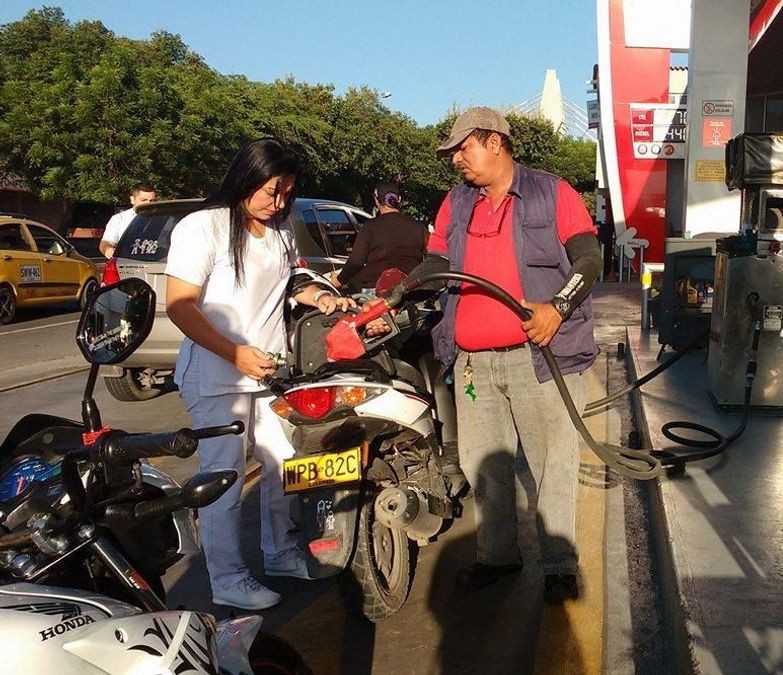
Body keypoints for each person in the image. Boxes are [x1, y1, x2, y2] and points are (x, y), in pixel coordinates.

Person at [402, 107, 603, 603]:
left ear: (494, 142)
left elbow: (589, 259)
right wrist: (399, 291)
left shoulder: (551, 192)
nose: (456, 161)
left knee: (552, 460)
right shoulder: (455, 204)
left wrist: (558, 308)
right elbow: (436, 261)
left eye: (463, 149)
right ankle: (498, 557)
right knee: (483, 464)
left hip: (537, 355)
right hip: (473, 362)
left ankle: (558, 565)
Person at [164, 138, 356, 610]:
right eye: (273, 191)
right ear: (246, 178)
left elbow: (287, 284)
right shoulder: (202, 227)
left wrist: (319, 298)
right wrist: (234, 353)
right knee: (224, 479)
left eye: (288, 192)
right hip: (217, 377)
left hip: (270, 373)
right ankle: (227, 577)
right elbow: (179, 305)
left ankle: (282, 553)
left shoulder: (281, 228)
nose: (280, 202)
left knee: (282, 468)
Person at [332, 179, 428, 294]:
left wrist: (339, 280)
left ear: (376, 201)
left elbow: (356, 261)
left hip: (375, 290)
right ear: (400, 200)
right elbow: (431, 258)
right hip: (411, 289)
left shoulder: (369, 227)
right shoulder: (419, 227)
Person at [99, 183, 157, 258]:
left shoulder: (165, 218)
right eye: (143, 200)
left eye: (151, 200)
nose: (148, 203)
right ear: (132, 199)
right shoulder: (119, 219)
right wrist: (109, 251)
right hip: (128, 263)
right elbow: (106, 242)